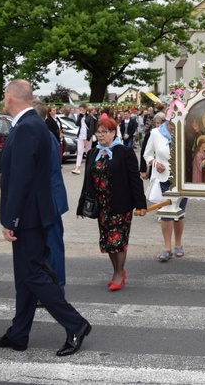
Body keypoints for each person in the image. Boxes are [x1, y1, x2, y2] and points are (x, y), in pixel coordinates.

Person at [0, 80, 91, 356]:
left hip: (28, 216)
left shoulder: (27, 127)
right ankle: (18, 334)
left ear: (10, 97)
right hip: (32, 214)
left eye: (3, 95)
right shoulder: (30, 125)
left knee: (32, 274)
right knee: (25, 276)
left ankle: (76, 324)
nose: (3, 99)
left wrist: (10, 220)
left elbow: (20, 180)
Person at [77, 117, 147, 291]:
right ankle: (117, 270)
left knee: (118, 240)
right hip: (102, 207)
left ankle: (118, 272)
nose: (100, 135)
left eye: (104, 132)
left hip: (121, 204)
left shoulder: (124, 152)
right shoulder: (94, 152)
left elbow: (135, 180)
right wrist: (81, 206)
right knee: (107, 241)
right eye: (98, 132)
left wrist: (141, 204)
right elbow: (87, 181)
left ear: (114, 133)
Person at [34, 100, 70, 295]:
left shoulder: (44, 136)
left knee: (53, 247)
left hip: (50, 199)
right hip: (51, 198)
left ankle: (56, 289)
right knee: (50, 246)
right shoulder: (46, 134)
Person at [144, 112, 188, 261]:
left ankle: (178, 244)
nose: (173, 124)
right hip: (164, 178)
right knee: (166, 212)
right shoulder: (156, 133)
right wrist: (156, 164)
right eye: (171, 120)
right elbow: (147, 154)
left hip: (182, 179)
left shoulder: (185, 130)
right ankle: (166, 247)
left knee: (179, 212)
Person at [71, 103, 95, 175]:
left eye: (81, 109)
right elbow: (77, 124)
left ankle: (91, 167)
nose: (80, 111)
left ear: (85, 109)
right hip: (80, 136)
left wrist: (88, 137)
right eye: (79, 110)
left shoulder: (90, 117)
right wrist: (80, 116)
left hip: (87, 136)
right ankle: (77, 168)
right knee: (79, 151)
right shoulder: (80, 116)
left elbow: (91, 128)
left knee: (88, 152)